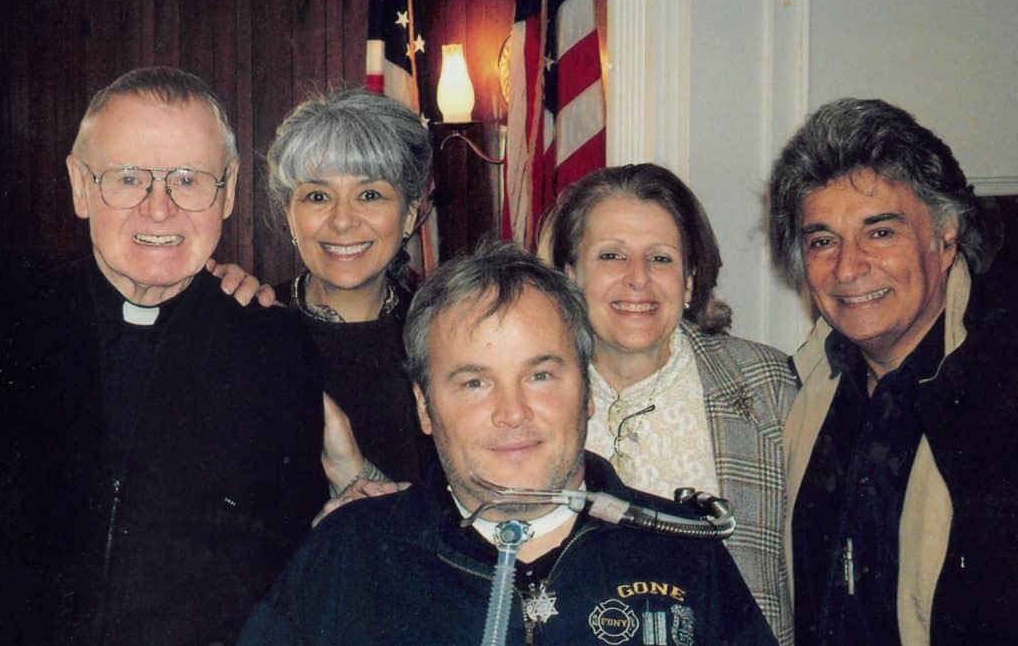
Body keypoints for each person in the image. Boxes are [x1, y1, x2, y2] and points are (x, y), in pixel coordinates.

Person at [236, 240, 778, 646]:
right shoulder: (347, 555)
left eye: (540, 376)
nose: (512, 413)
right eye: (475, 383)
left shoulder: (683, 555)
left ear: (586, 390)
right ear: (425, 408)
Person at [0, 67, 327, 646]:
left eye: (189, 180)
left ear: (226, 190)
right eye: (127, 179)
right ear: (79, 185)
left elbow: (287, 564)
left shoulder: (275, 347)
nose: (159, 210)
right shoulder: (9, 318)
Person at [768, 97, 1016, 646]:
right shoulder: (799, 390)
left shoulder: (1000, 397)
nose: (848, 267)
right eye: (822, 241)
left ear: (946, 236)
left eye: (881, 232)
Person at [548, 163, 796, 645]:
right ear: (571, 276)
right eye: (612, 256)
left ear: (688, 281)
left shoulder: (769, 388)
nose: (637, 279)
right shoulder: (531, 395)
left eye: (660, 259)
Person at [257, 88, 437, 499]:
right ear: (289, 214)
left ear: (409, 213)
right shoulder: (253, 328)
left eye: (369, 195)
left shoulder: (447, 332)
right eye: (318, 196)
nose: (342, 221)